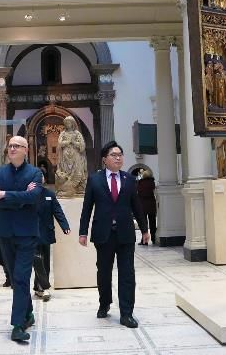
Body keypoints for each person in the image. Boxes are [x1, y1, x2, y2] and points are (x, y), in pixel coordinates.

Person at [79, 141, 149, 329]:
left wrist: (144, 229)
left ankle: (127, 313)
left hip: (125, 234)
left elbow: (137, 206)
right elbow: (87, 207)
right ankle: (104, 302)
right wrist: (83, 232)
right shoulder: (95, 180)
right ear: (104, 159)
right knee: (103, 272)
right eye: (113, 155)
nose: (118, 158)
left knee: (127, 274)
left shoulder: (129, 179)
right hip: (103, 234)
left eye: (120, 155)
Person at [0, 136, 43, 342]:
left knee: (21, 277)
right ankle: (28, 313)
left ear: (26, 150)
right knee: (15, 278)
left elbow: (34, 197)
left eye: (16, 146)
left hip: (27, 233)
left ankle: (17, 325)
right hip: (5, 233)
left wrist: (4, 194)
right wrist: (19, 198)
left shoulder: (35, 173)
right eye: (10, 146)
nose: (12, 148)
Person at [32, 175, 70, 301]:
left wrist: (65, 226)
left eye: (41, 177)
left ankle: (39, 287)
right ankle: (43, 287)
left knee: (45, 261)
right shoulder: (27, 194)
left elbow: (57, 211)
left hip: (46, 232)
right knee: (37, 260)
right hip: (32, 233)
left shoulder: (49, 194)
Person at [136, 169, 156, 245]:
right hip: (151, 205)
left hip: (142, 205)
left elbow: (138, 192)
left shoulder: (140, 183)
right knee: (152, 222)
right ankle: (154, 238)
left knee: (144, 223)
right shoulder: (152, 182)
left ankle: (144, 240)